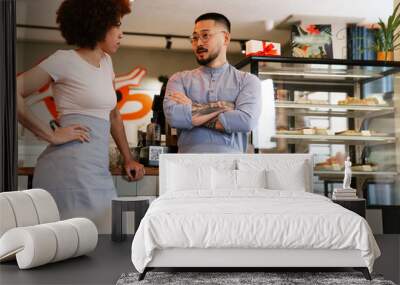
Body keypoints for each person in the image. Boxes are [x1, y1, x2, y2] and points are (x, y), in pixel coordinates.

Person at [16, 0, 144, 232]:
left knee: (105, 241)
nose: (121, 33)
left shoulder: (106, 63)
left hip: (96, 170)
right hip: (67, 172)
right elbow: (11, 91)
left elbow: (114, 115)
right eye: (116, 25)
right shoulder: (63, 60)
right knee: (68, 246)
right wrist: (51, 134)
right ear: (98, 24)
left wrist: (128, 158)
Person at [163, 13, 261, 153]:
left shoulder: (248, 81)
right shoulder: (179, 79)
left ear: (225, 38)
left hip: (231, 168)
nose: (199, 43)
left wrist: (191, 110)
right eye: (195, 38)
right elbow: (174, 117)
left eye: (205, 35)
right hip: (187, 167)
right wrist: (224, 107)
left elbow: (246, 121)